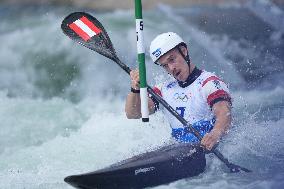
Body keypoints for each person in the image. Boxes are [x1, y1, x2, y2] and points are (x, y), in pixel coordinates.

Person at [125, 32, 232, 151]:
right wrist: (135, 89)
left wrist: (215, 135)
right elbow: (133, 113)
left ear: (184, 51)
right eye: (165, 65)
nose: (171, 68)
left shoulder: (209, 83)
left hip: (208, 153)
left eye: (172, 60)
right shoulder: (164, 90)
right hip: (178, 152)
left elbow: (224, 114)